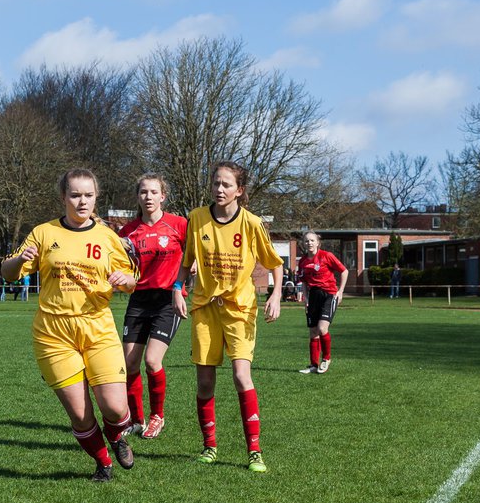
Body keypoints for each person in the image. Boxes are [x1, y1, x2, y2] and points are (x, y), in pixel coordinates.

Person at [0, 168, 137, 482]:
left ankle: (116, 436)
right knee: (79, 413)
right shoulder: (43, 233)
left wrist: (126, 279)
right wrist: (20, 262)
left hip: (97, 328)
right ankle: (104, 464)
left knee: (115, 409)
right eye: (75, 195)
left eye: (88, 195)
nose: (82, 201)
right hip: (53, 333)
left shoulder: (106, 236)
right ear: (63, 197)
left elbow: (131, 279)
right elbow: (8, 273)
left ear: (96, 197)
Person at [173, 162, 283, 473]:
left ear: (240, 190)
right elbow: (187, 262)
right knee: (205, 382)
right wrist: (177, 288)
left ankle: (254, 451)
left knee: (240, 376)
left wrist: (275, 295)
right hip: (205, 308)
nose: (219, 190)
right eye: (216, 183)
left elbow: (275, 263)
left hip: (240, 309)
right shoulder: (196, 219)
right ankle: (209, 447)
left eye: (226, 185)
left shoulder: (251, 223)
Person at [118, 173, 188, 440]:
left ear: (163, 196)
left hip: (167, 300)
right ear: (138, 196)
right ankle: (136, 420)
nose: (148, 197)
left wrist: (184, 281)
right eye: (143, 192)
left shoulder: (179, 225)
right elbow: (121, 265)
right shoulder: (128, 232)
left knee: (151, 360)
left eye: (153, 192)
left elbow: (193, 255)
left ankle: (157, 416)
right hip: (138, 300)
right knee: (130, 363)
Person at [297, 231, 348, 374]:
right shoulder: (302, 261)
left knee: (322, 328)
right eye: (307, 241)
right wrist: (305, 297)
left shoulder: (327, 256)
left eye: (312, 240)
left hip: (329, 295)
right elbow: (304, 282)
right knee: (313, 332)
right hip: (313, 296)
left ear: (318, 242)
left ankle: (326, 359)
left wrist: (340, 291)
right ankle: (313, 365)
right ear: (304, 243)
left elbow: (344, 271)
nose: (309, 243)